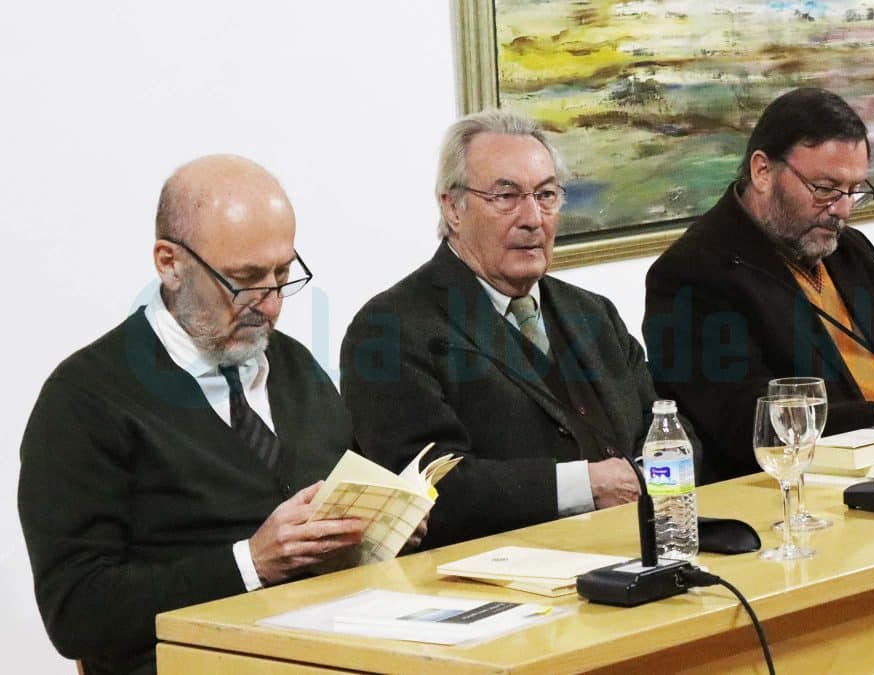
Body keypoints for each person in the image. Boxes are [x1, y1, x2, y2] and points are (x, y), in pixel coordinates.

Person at [17, 156, 387, 675]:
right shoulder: (85, 399)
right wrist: (249, 563)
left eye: (282, 275)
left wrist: (382, 528)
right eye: (243, 281)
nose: (272, 305)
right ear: (169, 263)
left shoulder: (294, 365)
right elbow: (76, 611)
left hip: (333, 647)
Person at [340, 110, 699, 549]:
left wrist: (651, 474)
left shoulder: (592, 313)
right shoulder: (390, 330)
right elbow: (429, 490)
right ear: (452, 207)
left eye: (546, 195)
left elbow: (670, 428)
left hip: (633, 553)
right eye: (506, 196)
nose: (533, 218)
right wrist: (583, 486)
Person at [643, 88, 874, 483]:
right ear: (762, 171)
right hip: (793, 493)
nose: (842, 210)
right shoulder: (691, 273)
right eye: (825, 189)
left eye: (855, 191)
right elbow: (743, 422)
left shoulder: (849, 249)